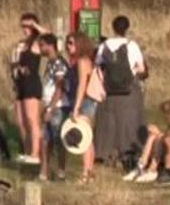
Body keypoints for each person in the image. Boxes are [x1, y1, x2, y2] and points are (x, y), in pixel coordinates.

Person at [93, 15, 149, 166]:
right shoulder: (132, 45)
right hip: (129, 90)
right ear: (127, 28)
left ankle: (106, 154)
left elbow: (98, 66)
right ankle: (129, 155)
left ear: (113, 27)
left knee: (109, 124)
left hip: (109, 91)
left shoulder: (104, 46)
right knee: (130, 123)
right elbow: (142, 69)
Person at [10, 13, 49, 164]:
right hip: (21, 83)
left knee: (32, 119)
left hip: (32, 83)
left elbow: (49, 35)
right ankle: (27, 151)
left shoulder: (37, 42)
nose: (25, 29)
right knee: (21, 120)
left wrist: (35, 25)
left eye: (28, 26)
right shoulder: (23, 44)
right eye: (23, 26)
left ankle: (36, 153)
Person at [122, 100, 170, 184]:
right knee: (153, 136)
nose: (164, 118)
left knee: (158, 137)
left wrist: (159, 133)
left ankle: (150, 169)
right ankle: (141, 166)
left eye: (165, 115)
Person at [37, 33, 72, 181]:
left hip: (58, 107)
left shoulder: (59, 63)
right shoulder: (50, 62)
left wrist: (51, 108)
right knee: (45, 140)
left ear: (50, 46)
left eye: (42, 45)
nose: (40, 49)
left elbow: (59, 88)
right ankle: (44, 171)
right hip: (49, 105)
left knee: (58, 140)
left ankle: (61, 171)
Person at [68, 32, 101, 185]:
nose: (68, 47)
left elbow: (82, 84)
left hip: (85, 100)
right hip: (90, 100)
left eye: (71, 43)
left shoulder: (82, 61)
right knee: (88, 137)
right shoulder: (86, 60)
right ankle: (90, 171)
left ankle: (86, 173)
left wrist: (76, 107)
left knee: (84, 138)